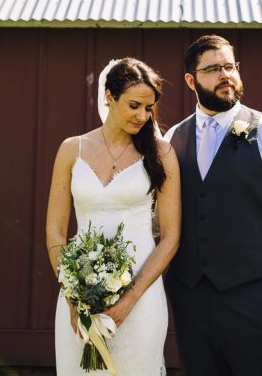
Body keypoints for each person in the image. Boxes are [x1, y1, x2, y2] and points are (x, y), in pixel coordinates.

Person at [163, 34, 262, 375]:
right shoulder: (172, 139)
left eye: (230, 66)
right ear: (191, 80)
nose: (226, 76)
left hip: (256, 300)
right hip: (191, 303)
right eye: (213, 69)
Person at [46, 57, 181, 375]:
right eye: (134, 105)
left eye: (148, 108)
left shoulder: (161, 155)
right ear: (109, 96)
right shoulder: (71, 150)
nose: (142, 116)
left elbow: (171, 237)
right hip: (79, 294)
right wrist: (72, 295)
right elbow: (54, 231)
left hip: (141, 297)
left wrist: (128, 301)